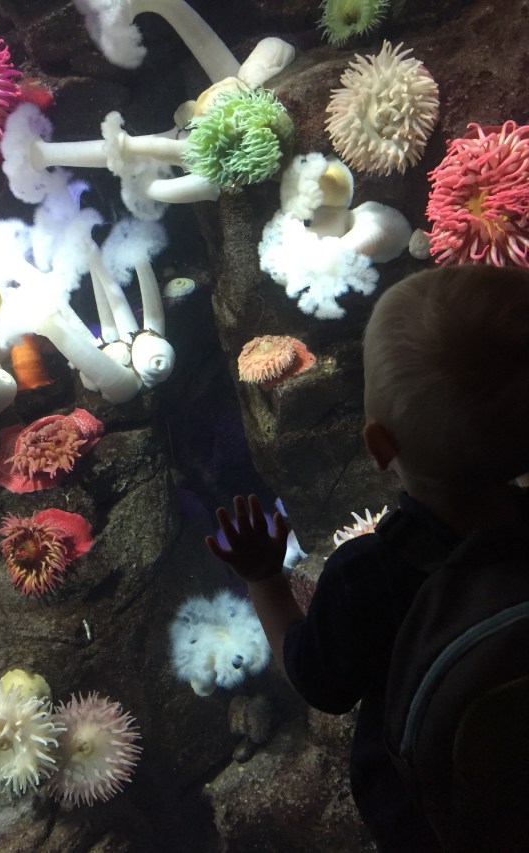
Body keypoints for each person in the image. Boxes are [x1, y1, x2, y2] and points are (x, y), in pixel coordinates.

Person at [206, 265, 529, 852]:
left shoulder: (365, 573)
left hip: (427, 821)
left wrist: (265, 579)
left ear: (377, 445)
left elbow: (319, 682)